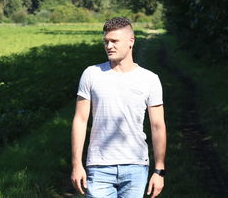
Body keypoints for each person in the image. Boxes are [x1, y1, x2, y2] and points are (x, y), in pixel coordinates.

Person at [71, 17, 166, 198]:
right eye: (106, 41)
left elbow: (157, 125)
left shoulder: (150, 79)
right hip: (98, 167)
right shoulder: (91, 74)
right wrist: (77, 164)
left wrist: (159, 170)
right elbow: (80, 120)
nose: (109, 46)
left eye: (114, 41)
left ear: (131, 41)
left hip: (136, 167)